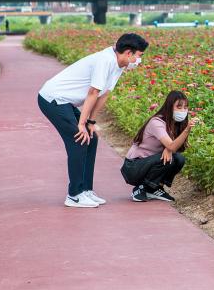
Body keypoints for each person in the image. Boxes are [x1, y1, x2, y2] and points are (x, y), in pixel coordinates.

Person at [37, 32, 149, 208]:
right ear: (128, 53)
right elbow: (93, 92)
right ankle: (74, 195)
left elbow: (104, 95)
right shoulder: (105, 60)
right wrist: (81, 124)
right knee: (79, 140)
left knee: (92, 137)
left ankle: (85, 190)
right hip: (53, 99)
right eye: (139, 56)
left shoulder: (118, 65)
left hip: (65, 102)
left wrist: (90, 123)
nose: (139, 61)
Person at [121, 90, 192, 202]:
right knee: (169, 158)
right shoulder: (157, 122)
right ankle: (141, 188)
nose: (183, 111)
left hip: (149, 163)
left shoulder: (175, 123)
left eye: (185, 107)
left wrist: (168, 149)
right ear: (169, 107)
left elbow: (174, 147)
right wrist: (186, 131)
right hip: (133, 167)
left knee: (179, 158)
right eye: (179, 107)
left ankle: (154, 188)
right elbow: (172, 146)